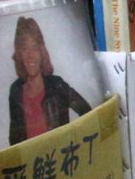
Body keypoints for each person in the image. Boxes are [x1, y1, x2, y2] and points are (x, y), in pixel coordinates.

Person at [8, 16, 90, 145]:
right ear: (19, 53)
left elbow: (88, 113)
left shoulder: (57, 85)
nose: (30, 55)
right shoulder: (15, 91)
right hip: (31, 163)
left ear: (41, 52)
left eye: (34, 48)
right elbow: (14, 139)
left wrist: (77, 144)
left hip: (60, 161)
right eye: (24, 48)